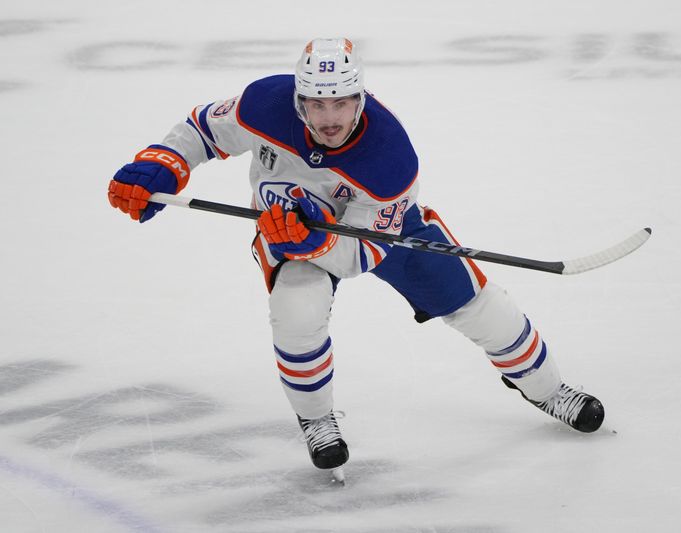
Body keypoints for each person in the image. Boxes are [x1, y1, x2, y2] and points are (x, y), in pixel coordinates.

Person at [107, 38, 604, 476]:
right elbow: (203, 129)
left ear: (360, 98)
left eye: (341, 103)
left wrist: (317, 242)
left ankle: (547, 389)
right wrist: (164, 163)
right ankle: (317, 418)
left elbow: (367, 248)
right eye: (316, 104)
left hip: (379, 230)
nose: (329, 119)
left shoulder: (389, 160)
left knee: (480, 306)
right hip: (288, 229)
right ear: (298, 99)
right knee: (296, 313)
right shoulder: (265, 103)